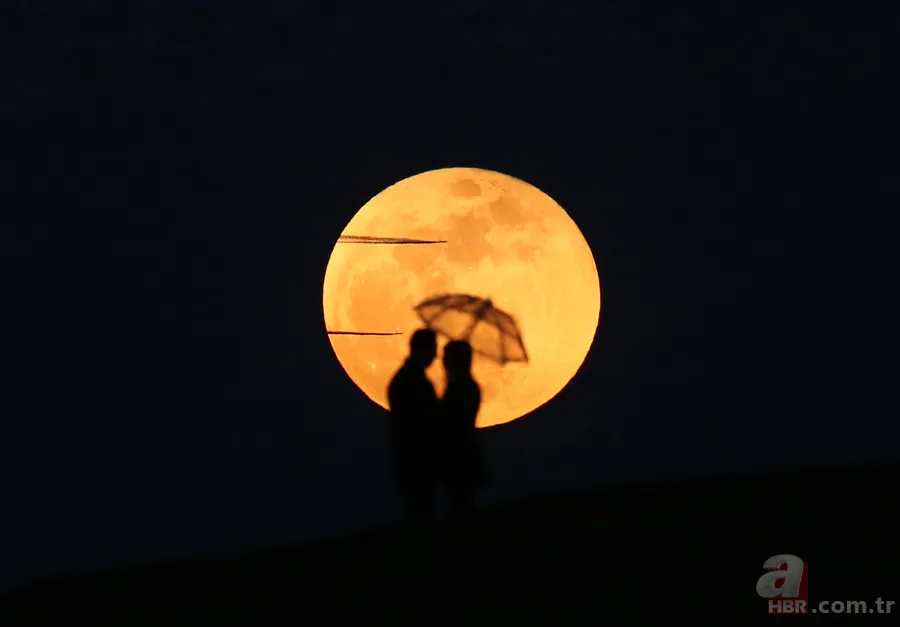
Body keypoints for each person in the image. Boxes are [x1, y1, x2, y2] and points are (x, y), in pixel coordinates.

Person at [386, 328, 440, 521]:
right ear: (421, 349)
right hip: (416, 459)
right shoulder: (413, 382)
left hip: (411, 459)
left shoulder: (405, 380)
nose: (436, 354)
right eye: (433, 348)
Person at [438, 340, 486, 514]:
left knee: (460, 503)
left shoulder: (464, 388)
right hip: (459, 453)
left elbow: (456, 421)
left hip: (460, 453)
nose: (442, 362)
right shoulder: (460, 386)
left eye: (447, 357)